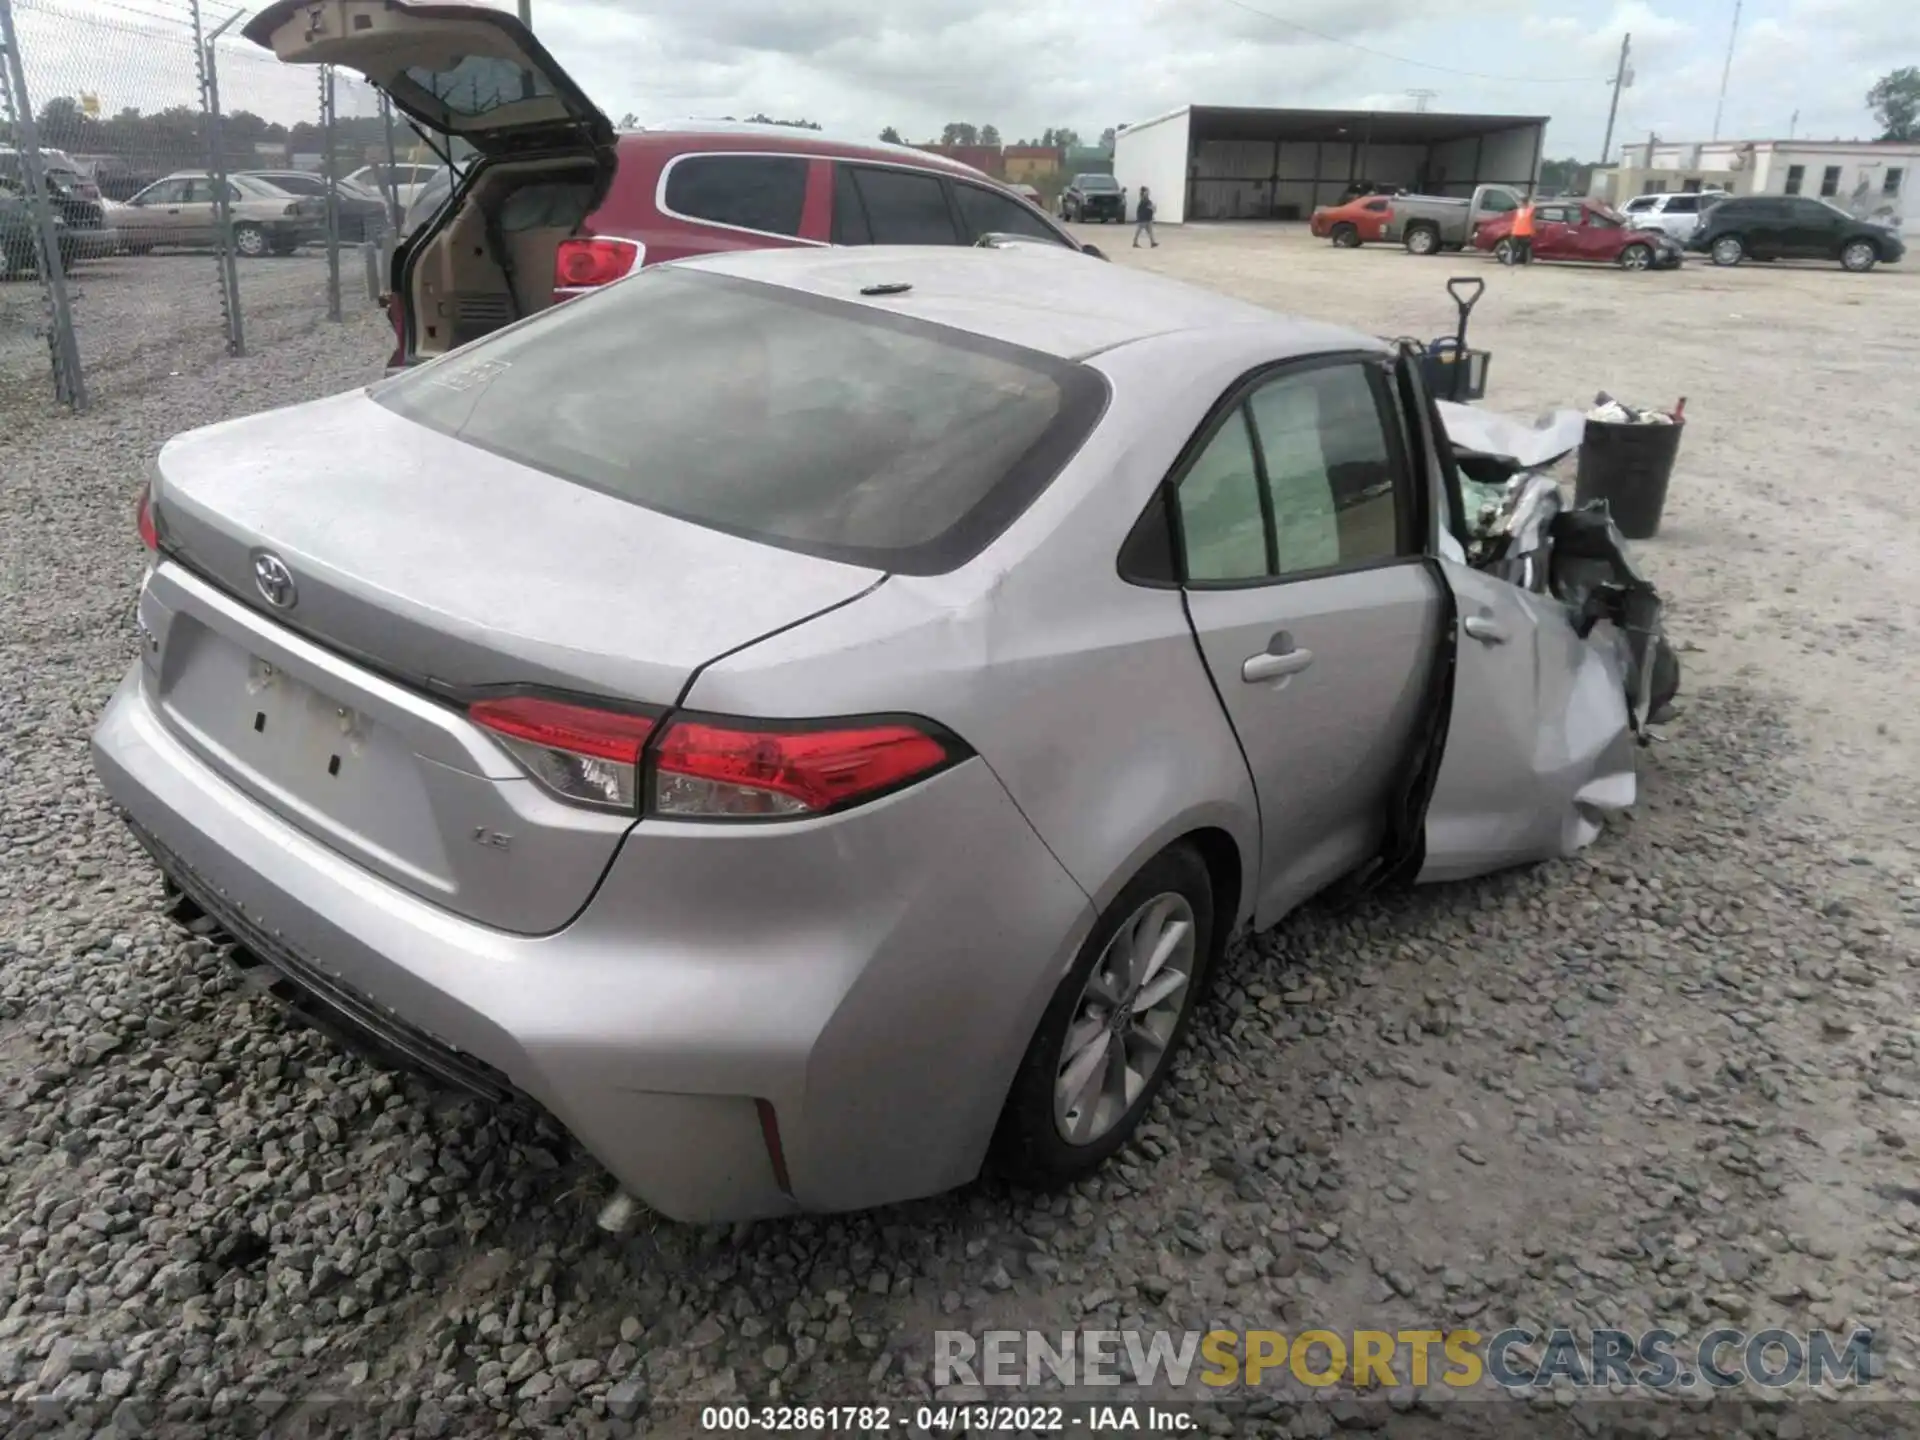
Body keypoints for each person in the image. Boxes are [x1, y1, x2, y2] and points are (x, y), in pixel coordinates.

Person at [1509, 198, 1535, 265]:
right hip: (1525, 233)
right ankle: (1527, 262)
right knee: (1527, 249)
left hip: (1516, 232)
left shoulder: (1518, 211)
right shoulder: (1529, 211)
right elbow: (1533, 206)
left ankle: (1512, 262)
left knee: (1514, 249)